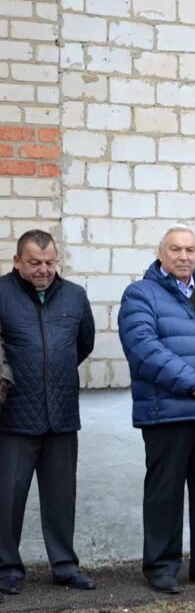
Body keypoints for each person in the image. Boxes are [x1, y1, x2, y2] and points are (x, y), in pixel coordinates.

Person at [118, 224, 195, 594]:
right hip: (167, 410)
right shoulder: (140, 295)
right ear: (161, 254)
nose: (184, 256)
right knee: (164, 493)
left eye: (190, 250)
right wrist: (193, 381)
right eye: (175, 250)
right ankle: (161, 566)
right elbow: (143, 346)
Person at [0, 230, 96, 594]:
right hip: (14, 415)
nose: (43, 270)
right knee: (8, 497)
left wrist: (53, 372)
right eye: (35, 263)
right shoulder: (2, 293)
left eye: (50, 263)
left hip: (61, 412)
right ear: (17, 262)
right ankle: (7, 567)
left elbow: (83, 343)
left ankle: (64, 565)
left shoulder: (75, 295)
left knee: (61, 496)